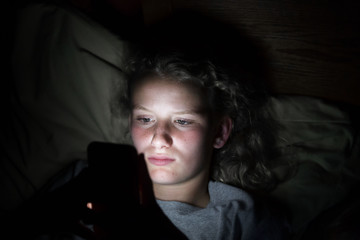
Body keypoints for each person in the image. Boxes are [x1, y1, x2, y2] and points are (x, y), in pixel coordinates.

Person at [117, 12, 291, 240]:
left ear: (219, 132)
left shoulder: (244, 221)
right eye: (145, 119)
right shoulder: (86, 184)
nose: (159, 139)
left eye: (182, 121)